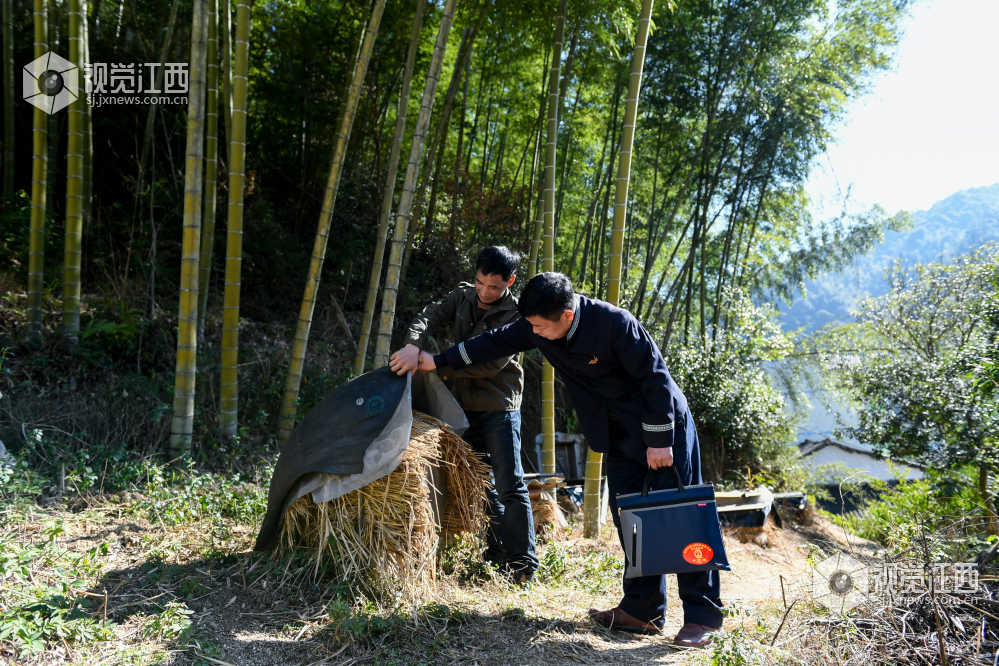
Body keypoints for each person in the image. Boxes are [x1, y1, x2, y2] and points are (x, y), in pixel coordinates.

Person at [409, 271, 724, 647]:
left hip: (661, 431)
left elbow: (655, 379)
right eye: (532, 326)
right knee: (630, 518)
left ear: (568, 316)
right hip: (617, 435)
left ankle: (703, 617)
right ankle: (643, 610)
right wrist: (436, 361)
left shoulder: (615, 324)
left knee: (681, 515)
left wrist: (659, 440)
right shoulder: (537, 326)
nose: (535, 334)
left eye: (541, 327)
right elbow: (491, 343)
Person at [388, 246, 538, 584]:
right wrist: (413, 345)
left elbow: (488, 366)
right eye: (480, 283)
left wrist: (436, 363)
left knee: (509, 484)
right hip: (461, 407)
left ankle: (523, 565)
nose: (485, 293)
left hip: (499, 407)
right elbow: (427, 316)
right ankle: (497, 555)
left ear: (510, 282)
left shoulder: (518, 315)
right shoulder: (463, 297)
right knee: (479, 483)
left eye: (494, 287)